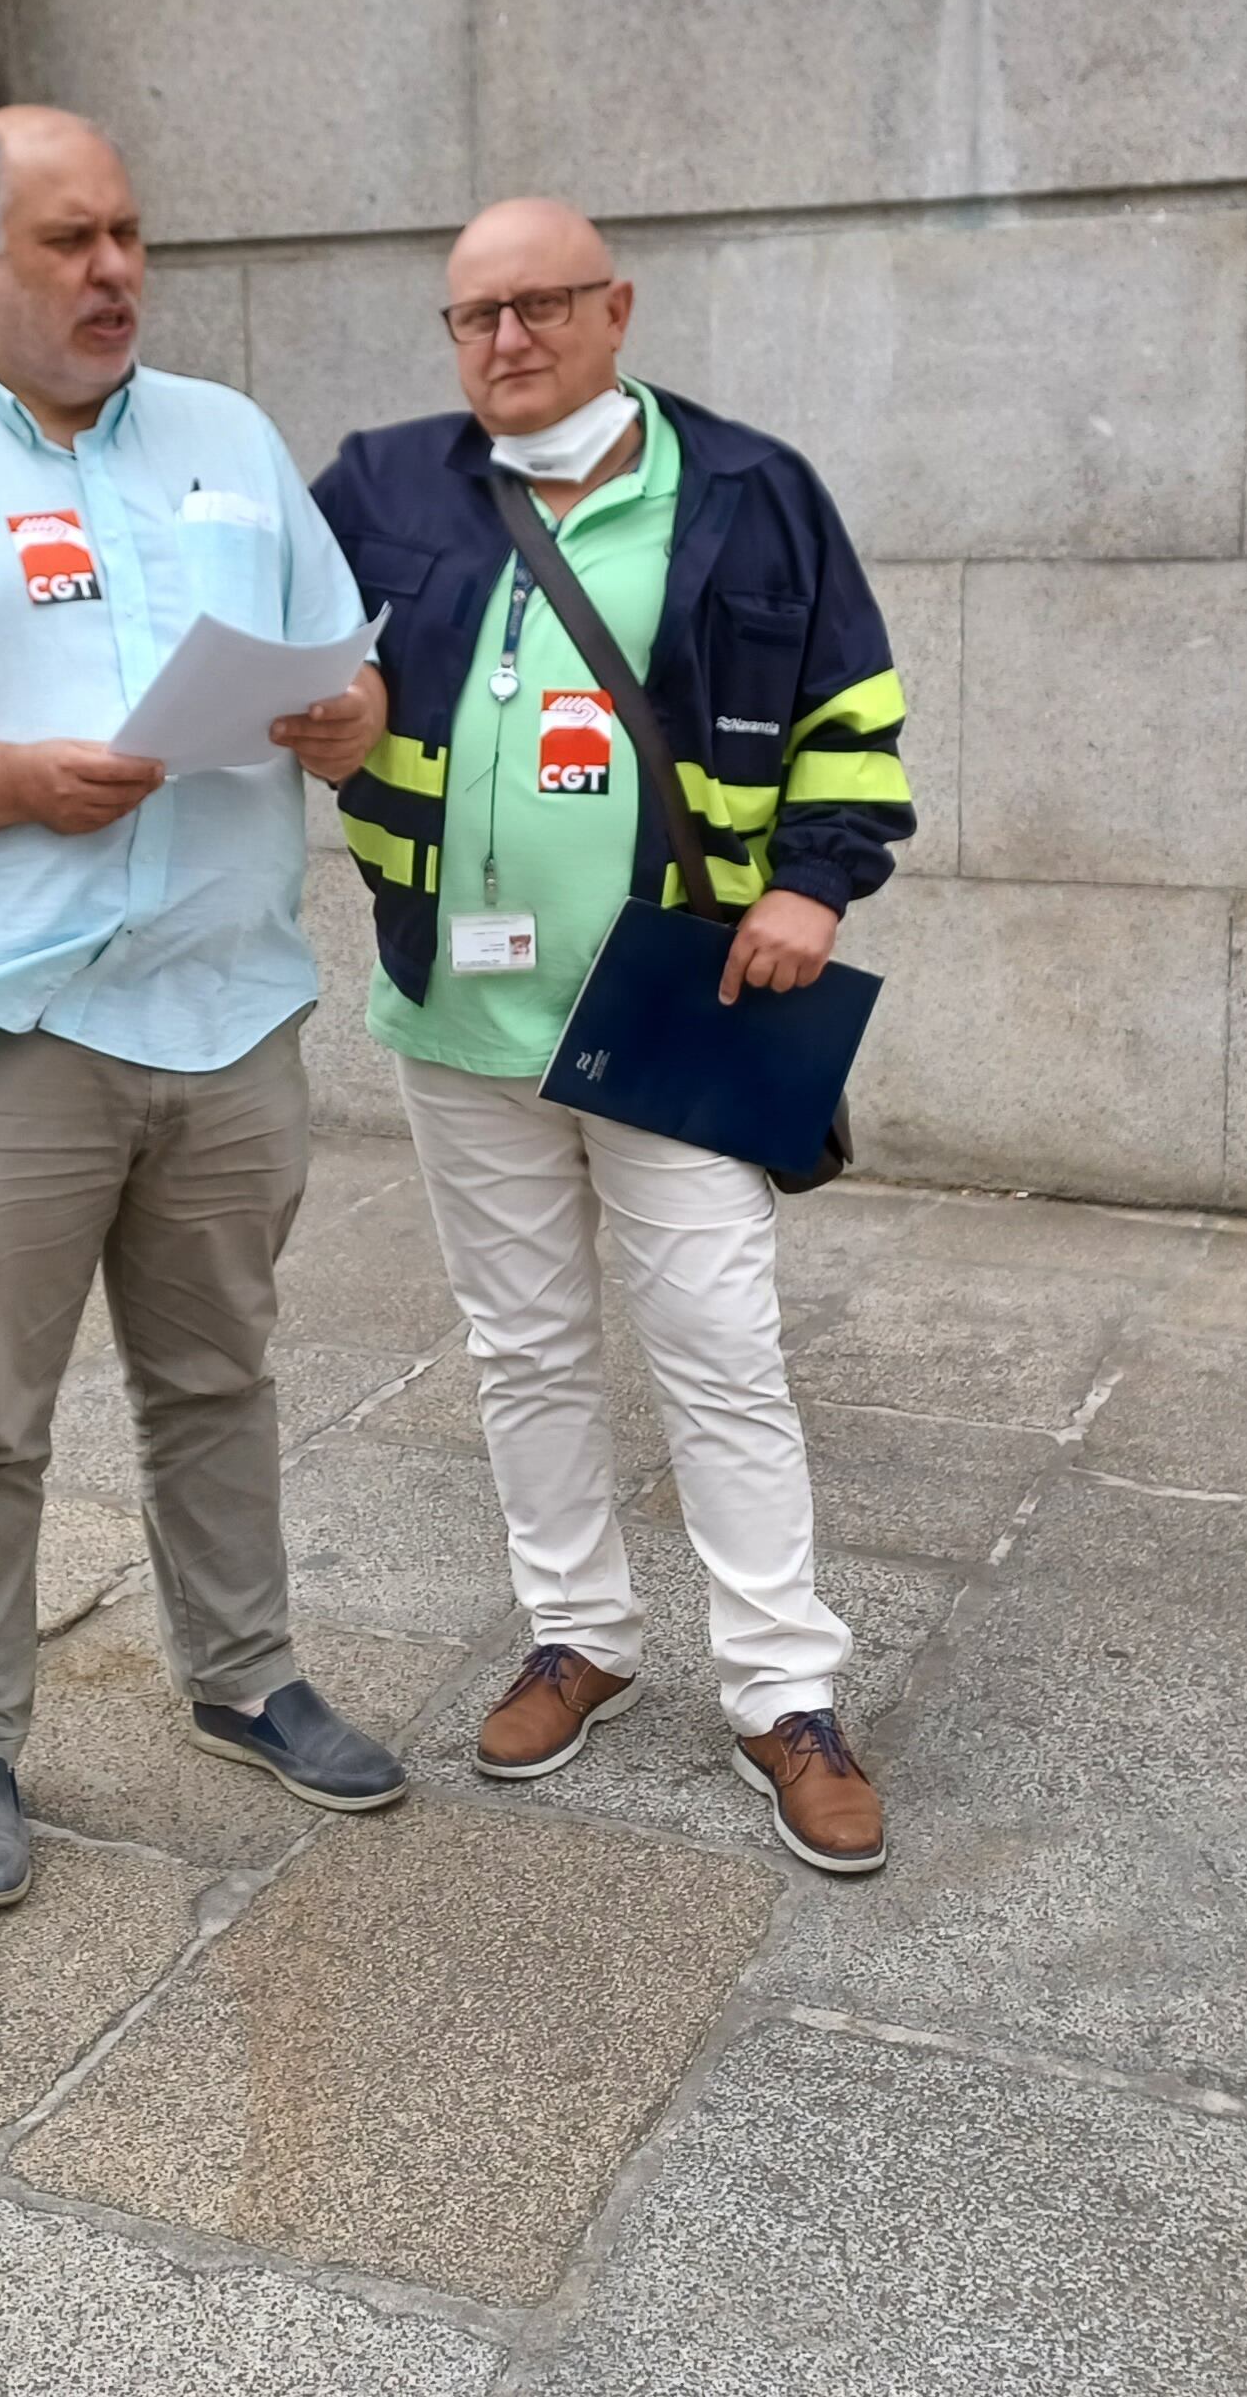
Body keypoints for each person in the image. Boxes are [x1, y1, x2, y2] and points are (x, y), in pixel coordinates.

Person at [0, 104, 410, 1912]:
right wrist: (12, 781)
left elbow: (350, 669)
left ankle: (247, 1677)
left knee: (217, 1376)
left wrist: (353, 715)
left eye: (127, 233)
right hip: (4, 1029)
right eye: (66, 242)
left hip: (225, 1006)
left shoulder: (234, 443)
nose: (112, 271)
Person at [305, 198, 912, 1875]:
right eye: (474, 313)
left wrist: (817, 887)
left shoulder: (748, 490)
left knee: (717, 1345)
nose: (507, 338)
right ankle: (578, 1636)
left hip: (674, 1005)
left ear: (616, 307)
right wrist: (320, 720)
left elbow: (850, 709)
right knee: (523, 1344)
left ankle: (783, 1695)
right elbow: (301, 668)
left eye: (542, 304)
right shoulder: (377, 485)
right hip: (456, 1001)